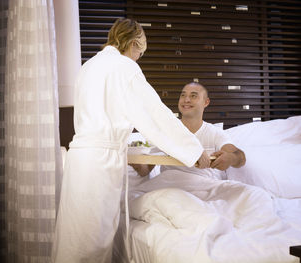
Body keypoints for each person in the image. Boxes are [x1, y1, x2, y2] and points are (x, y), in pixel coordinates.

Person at [51, 18, 210, 263]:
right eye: (140, 52)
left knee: (74, 239)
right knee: (93, 242)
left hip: (79, 162)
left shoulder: (88, 66)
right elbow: (155, 115)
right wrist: (193, 150)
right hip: (100, 165)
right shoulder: (124, 67)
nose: (138, 58)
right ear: (134, 43)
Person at [131, 82, 246, 179]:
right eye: (183, 95)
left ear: (206, 102)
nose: (186, 100)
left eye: (193, 96)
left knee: (255, 196)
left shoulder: (214, 133)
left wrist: (231, 158)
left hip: (205, 186)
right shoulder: (166, 132)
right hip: (169, 187)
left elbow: (240, 157)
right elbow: (145, 171)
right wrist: (135, 161)